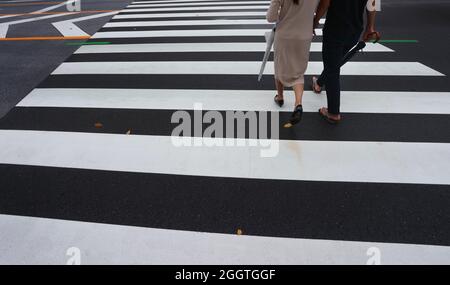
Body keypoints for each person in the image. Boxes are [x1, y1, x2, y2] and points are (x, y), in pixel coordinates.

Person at [312, 0, 380, 124]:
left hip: (335, 28)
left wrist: (315, 22)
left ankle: (333, 112)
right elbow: (373, 4)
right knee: (333, 63)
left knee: (332, 68)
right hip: (355, 30)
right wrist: (370, 27)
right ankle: (319, 83)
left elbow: (325, 2)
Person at [266, 0, 320, 126]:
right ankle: (298, 104)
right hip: (304, 35)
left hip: (284, 35)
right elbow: (321, 10)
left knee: (280, 67)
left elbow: (271, 17)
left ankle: (280, 97)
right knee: (298, 72)